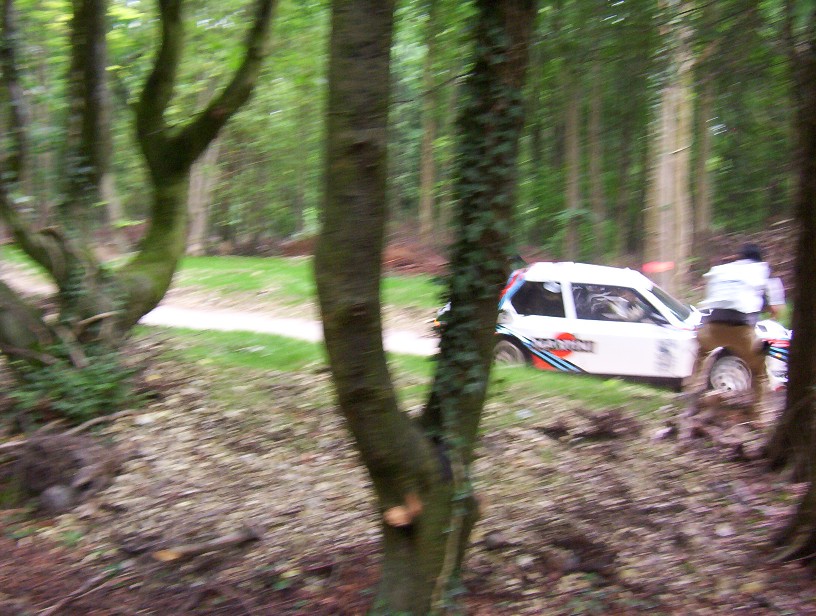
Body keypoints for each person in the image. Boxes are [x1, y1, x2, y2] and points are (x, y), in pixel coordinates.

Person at [688, 243, 785, 417]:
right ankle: (758, 413)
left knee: (701, 354)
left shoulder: (722, 269)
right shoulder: (764, 271)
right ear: (760, 258)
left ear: (739, 257)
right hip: (742, 330)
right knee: (759, 370)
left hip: (711, 326)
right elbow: (775, 310)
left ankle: (691, 394)